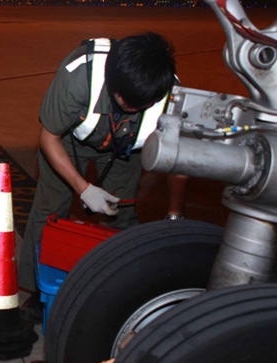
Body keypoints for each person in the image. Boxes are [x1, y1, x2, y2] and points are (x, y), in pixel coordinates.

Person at [17, 32, 177, 323]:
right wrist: (84, 188)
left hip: (126, 146)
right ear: (113, 81)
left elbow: (182, 161)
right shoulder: (79, 77)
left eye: (141, 104)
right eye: (126, 101)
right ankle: (37, 293)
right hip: (68, 141)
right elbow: (49, 137)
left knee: (122, 215)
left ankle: (122, 290)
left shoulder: (171, 97)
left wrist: (174, 213)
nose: (133, 107)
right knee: (49, 210)